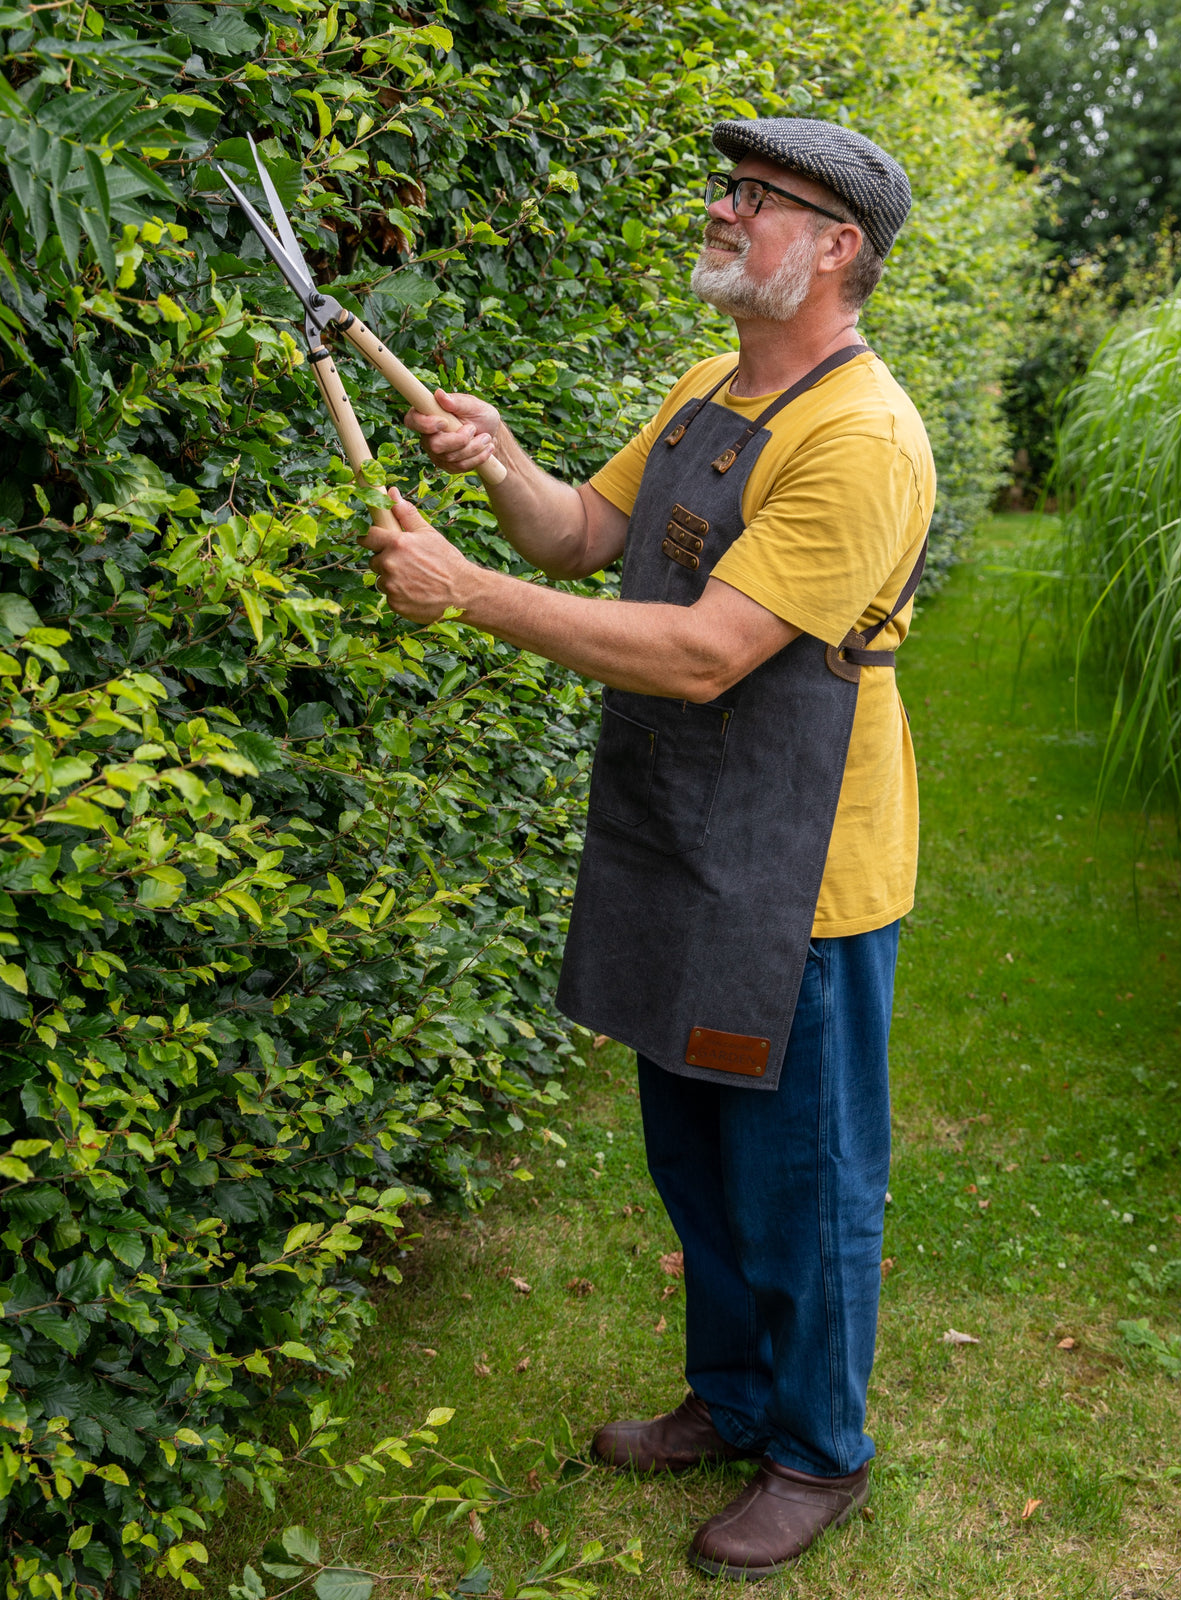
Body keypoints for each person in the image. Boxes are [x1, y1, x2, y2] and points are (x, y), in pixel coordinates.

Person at [362, 117, 934, 1583]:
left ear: (838, 245)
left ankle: (817, 1448)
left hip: (804, 866)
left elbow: (701, 654)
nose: (725, 208)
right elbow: (578, 534)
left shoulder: (860, 436)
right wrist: (499, 466)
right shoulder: (705, 389)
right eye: (730, 187)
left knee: (802, 1174)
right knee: (695, 1156)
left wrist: (464, 594)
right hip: (688, 832)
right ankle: (733, 1398)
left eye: (761, 196)